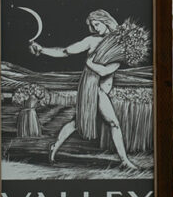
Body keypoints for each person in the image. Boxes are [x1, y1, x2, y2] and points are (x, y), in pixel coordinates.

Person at [30, 9, 136, 169]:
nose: (96, 28)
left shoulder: (118, 44)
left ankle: (54, 146)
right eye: (93, 26)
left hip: (101, 88)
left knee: (77, 123)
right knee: (113, 123)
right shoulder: (91, 41)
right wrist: (42, 50)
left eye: (97, 24)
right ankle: (125, 161)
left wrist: (91, 64)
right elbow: (66, 51)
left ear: (105, 21)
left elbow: (106, 71)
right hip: (92, 88)